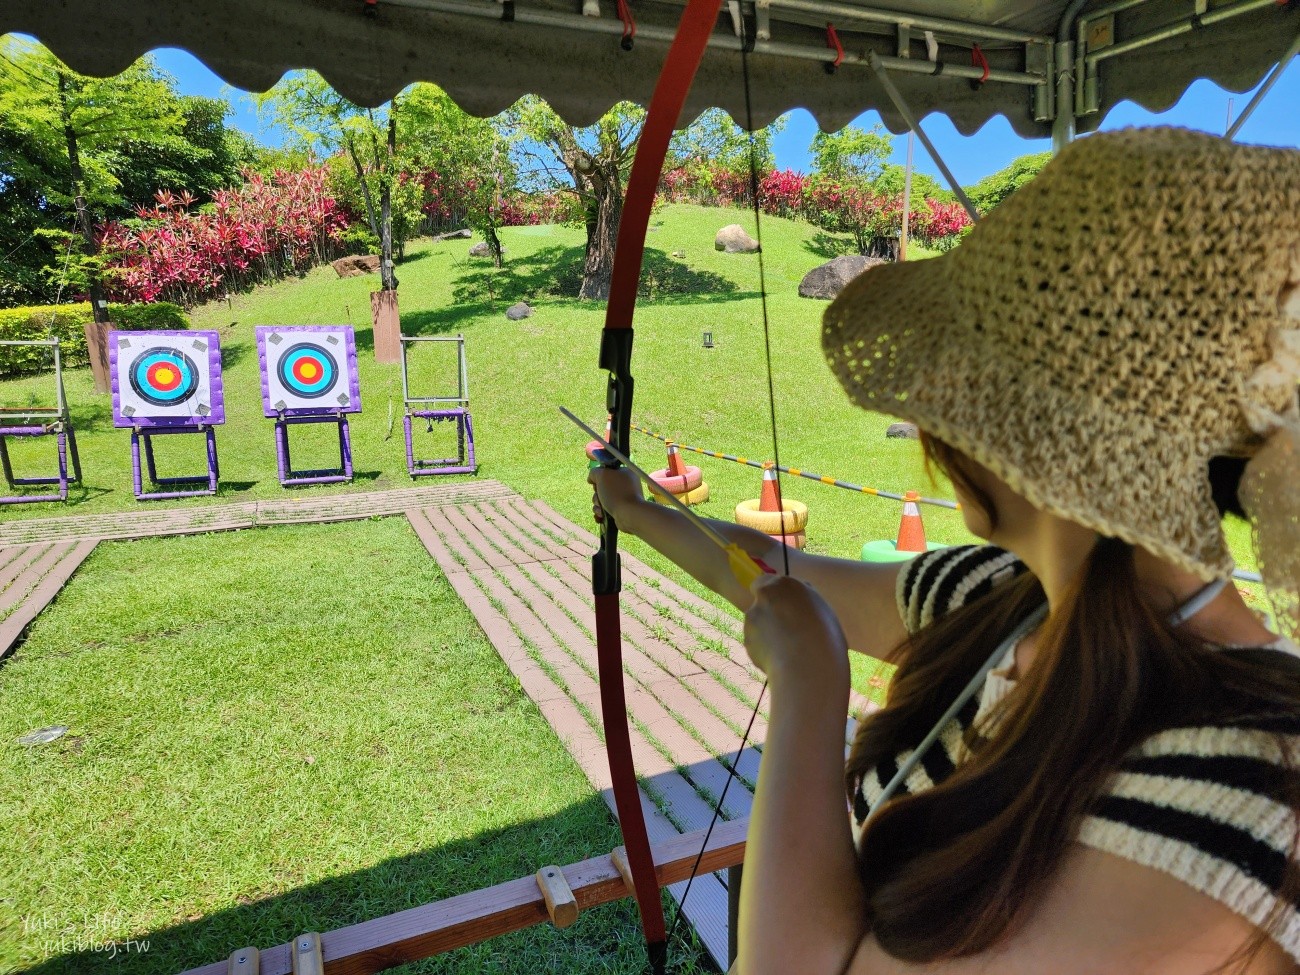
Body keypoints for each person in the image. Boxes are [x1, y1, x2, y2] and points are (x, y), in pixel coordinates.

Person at [589, 128, 1300, 974]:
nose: (934, 414)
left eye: (963, 380)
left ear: (1040, 427)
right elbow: (771, 575)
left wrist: (809, 684)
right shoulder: (1002, 591)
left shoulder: (1259, 774)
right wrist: (637, 510)